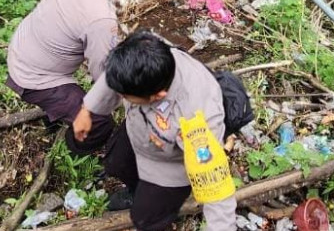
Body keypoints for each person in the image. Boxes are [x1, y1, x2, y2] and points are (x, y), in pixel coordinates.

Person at [73, 32, 237, 231]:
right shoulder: (150, 50)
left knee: (145, 218)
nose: (120, 97)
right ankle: (135, 190)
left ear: (157, 96)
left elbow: (216, 188)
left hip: (169, 164)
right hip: (140, 130)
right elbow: (118, 74)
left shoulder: (196, 121)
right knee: (115, 163)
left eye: (124, 96)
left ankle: (160, 215)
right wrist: (87, 108)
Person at [6, 0, 143, 155]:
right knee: (100, 123)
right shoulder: (101, 20)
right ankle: (73, 148)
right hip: (35, 78)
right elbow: (104, 77)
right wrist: (130, 102)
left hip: (20, 48)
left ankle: (59, 114)